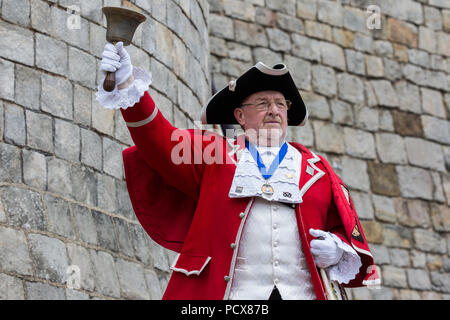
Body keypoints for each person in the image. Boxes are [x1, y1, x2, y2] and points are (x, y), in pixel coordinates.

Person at [96, 42, 380, 300]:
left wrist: (337, 249)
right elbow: (158, 139)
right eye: (263, 103)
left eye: (280, 104)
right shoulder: (212, 154)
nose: (274, 110)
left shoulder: (318, 171)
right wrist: (127, 83)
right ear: (240, 116)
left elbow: (345, 233)